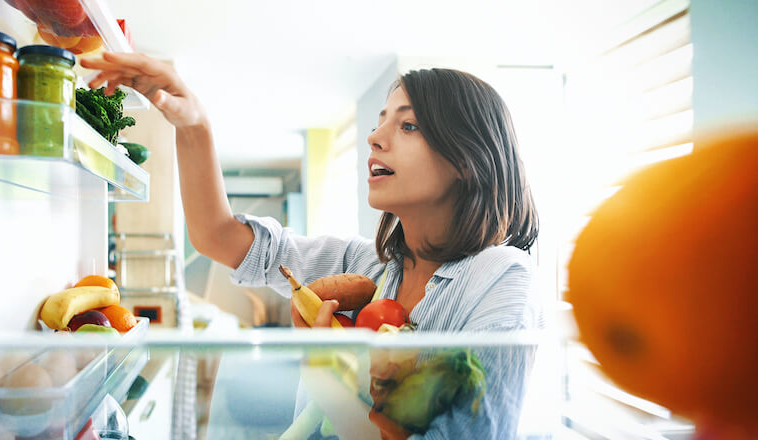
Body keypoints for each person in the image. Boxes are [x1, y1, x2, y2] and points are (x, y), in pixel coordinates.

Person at [82, 52, 542, 439]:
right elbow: (217, 236)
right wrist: (192, 122)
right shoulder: (368, 266)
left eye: (408, 126)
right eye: (381, 121)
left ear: (467, 158)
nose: (375, 137)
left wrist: (324, 372)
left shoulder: (501, 278)